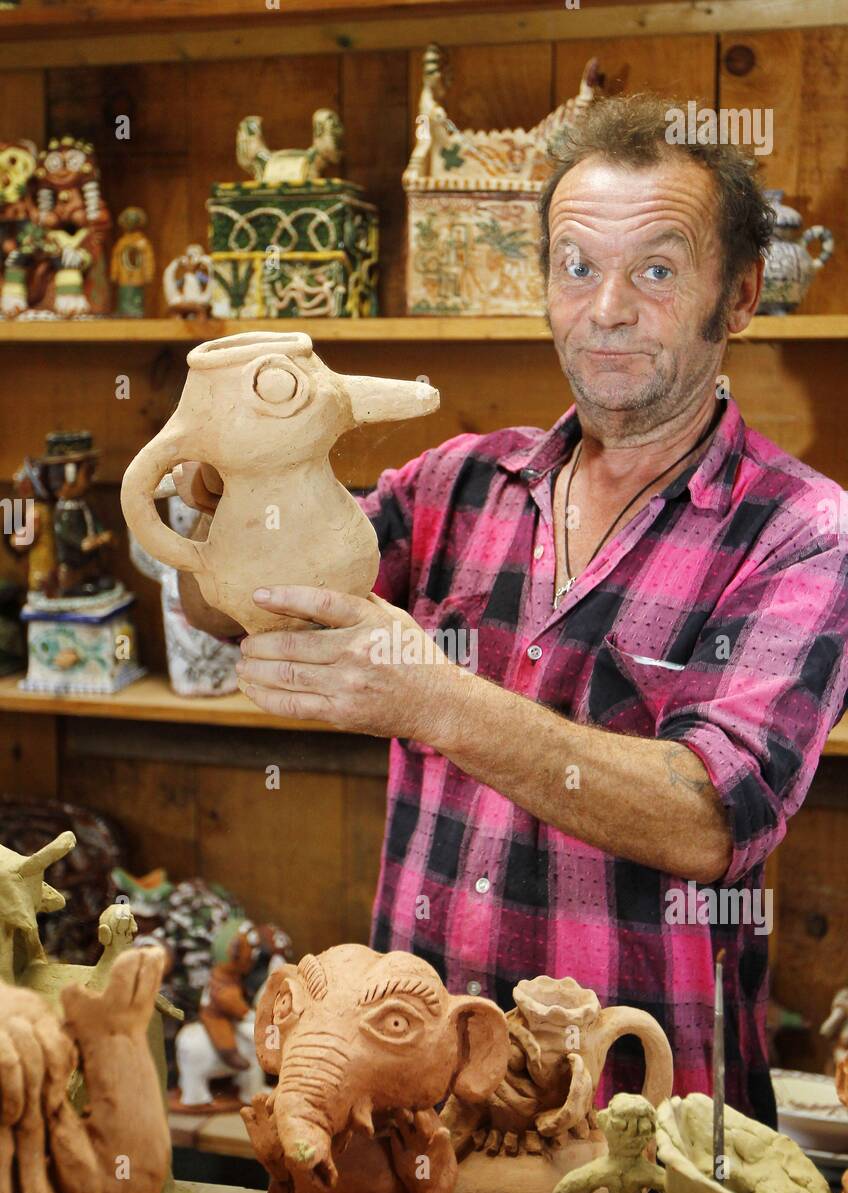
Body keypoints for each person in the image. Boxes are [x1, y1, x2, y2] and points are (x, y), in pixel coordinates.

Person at [176, 93, 848, 1124]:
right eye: (575, 266)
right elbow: (241, 610)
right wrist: (219, 495)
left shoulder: (801, 531)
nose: (607, 306)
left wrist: (429, 697)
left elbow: (710, 815)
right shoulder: (454, 482)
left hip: (642, 1126)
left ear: (743, 295)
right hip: (422, 1105)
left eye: (655, 271)